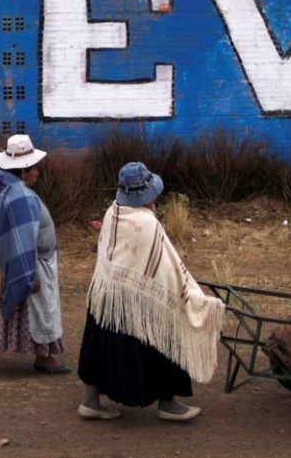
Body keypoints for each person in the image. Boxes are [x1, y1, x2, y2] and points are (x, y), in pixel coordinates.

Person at [77, 162, 225, 421]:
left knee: (99, 341)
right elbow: (167, 269)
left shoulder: (113, 212)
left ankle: (90, 400)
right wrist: (189, 292)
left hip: (106, 294)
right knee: (163, 330)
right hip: (134, 301)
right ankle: (168, 403)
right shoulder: (147, 223)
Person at [0, 134, 70, 375]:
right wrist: (28, 276)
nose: (38, 171)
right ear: (23, 170)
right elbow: (23, 242)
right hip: (23, 260)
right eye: (34, 167)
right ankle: (46, 358)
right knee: (40, 309)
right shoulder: (21, 197)